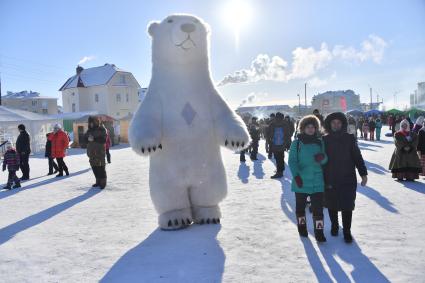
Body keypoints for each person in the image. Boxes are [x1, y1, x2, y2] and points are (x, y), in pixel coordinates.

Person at [323, 112, 368, 243]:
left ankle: (347, 230)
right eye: (333, 123)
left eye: (338, 123)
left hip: (348, 177)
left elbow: (357, 157)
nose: (336, 125)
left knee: (347, 205)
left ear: (342, 124)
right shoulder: (324, 140)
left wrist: (363, 173)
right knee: (332, 204)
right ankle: (334, 226)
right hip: (330, 177)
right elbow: (320, 159)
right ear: (329, 124)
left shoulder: (349, 138)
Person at [288, 115, 328, 242]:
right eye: (308, 127)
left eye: (313, 127)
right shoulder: (297, 143)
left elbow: (326, 158)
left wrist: (323, 158)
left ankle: (319, 233)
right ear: (303, 128)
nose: (311, 129)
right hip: (301, 180)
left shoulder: (320, 142)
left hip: (317, 180)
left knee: (318, 210)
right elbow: (292, 161)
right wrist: (296, 176)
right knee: (300, 208)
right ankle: (302, 229)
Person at [84, 116, 107, 189]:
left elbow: (103, 140)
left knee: (101, 167)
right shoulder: (89, 130)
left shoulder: (102, 129)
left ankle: (103, 182)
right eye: (90, 123)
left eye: (92, 123)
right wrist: (87, 139)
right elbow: (84, 139)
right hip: (91, 152)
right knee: (94, 167)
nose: (91, 124)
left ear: (96, 122)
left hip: (99, 152)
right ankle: (98, 181)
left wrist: (94, 139)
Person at [267, 112, 291, 179]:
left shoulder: (272, 124)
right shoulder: (284, 124)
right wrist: (286, 143)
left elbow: (268, 133)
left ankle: (279, 172)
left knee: (278, 158)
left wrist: (270, 141)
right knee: (281, 157)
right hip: (281, 144)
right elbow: (288, 135)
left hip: (275, 143)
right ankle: (280, 171)